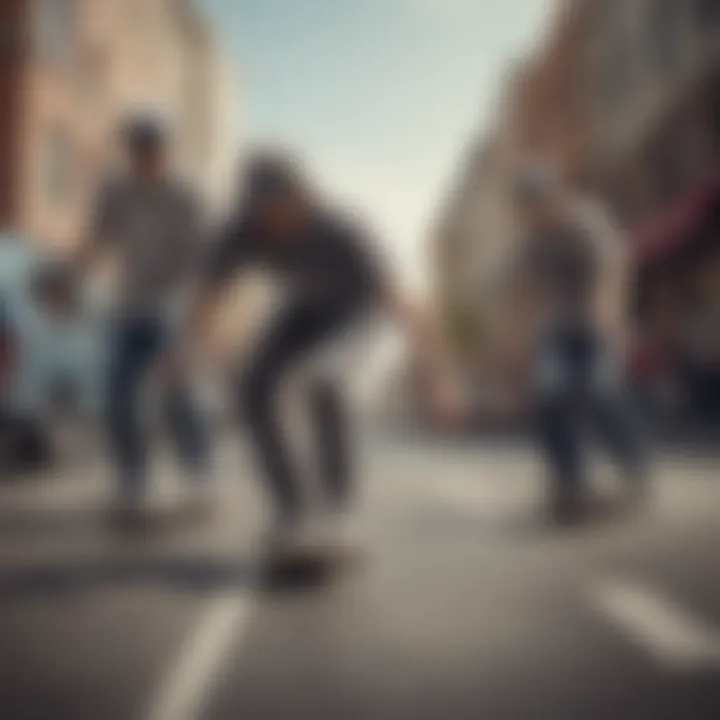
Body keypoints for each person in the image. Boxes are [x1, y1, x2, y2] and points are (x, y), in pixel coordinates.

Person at [191, 150, 460, 560]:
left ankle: (339, 513)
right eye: (263, 214)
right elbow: (207, 300)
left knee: (325, 379)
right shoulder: (242, 232)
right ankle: (292, 511)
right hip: (303, 312)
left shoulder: (341, 229)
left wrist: (440, 378)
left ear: (302, 199)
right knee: (251, 388)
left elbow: (404, 304)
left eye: (282, 210)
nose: (274, 224)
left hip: (356, 312)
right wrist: (200, 350)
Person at [74, 114, 210, 518]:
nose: (148, 162)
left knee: (178, 391)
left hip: (175, 303)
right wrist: (72, 274)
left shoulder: (188, 196)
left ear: (168, 153)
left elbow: (203, 261)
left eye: (156, 153)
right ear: (131, 154)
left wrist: (196, 320)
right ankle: (134, 483)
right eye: (140, 154)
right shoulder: (116, 192)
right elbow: (98, 237)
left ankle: (197, 476)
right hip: (130, 306)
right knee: (118, 394)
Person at [509, 164, 647, 523]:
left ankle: (634, 472)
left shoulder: (587, 221)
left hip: (602, 322)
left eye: (540, 203)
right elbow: (526, 292)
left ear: (555, 197)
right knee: (549, 392)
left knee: (602, 390)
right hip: (561, 327)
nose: (536, 214)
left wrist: (608, 312)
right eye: (528, 208)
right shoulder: (533, 241)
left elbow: (612, 268)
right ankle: (570, 483)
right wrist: (524, 339)